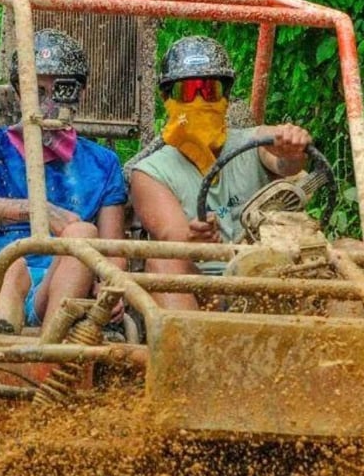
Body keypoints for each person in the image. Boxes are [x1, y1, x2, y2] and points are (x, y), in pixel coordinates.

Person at [0, 29, 127, 334]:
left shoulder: (102, 163)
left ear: (79, 93)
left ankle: (49, 348)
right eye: (36, 91)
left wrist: (112, 288)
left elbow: (114, 252)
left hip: (60, 286)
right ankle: (4, 348)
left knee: (82, 232)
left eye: (60, 90)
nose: (47, 104)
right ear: (18, 94)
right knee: (13, 268)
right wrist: (34, 209)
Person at [128, 35, 312, 309]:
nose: (200, 100)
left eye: (210, 90)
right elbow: (171, 235)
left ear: (225, 96)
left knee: (348, 252)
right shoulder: (149, 172)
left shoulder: (255, 142)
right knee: (163, 261)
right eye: (187, 92)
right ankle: (191, 349)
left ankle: (357, 348)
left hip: (274, 279)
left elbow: (284, 162)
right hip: (204, 289)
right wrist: (194, 237)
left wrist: (291, 147)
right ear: (167, 98)